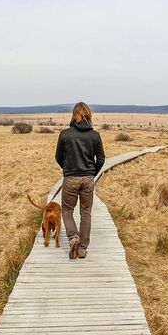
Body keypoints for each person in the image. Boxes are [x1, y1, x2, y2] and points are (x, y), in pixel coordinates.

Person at [55, 102, 105, 259]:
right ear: (88, 115)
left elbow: (58, 157)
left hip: (70, 178)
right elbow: (101, 158)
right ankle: (82, 248)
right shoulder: (94, 135)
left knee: (67, 210)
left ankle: (72, 236)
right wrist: (92, 173)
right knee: (86, 213)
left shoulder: (65, 134)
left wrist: (68, 168)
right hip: (88, 179)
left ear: (74, 115)